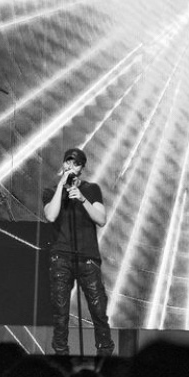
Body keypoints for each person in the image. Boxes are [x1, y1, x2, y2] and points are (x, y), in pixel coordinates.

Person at [42, 147, 114, 357]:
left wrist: (82, 199)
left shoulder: (91, 189)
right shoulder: (51, 191)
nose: (71, 166)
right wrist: (61, 187)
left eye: (76, 163)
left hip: (87, 257)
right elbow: (51, 216)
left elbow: (101, 219)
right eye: (68, 162)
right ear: (63, 164)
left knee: (98, 310)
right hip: (61, 257)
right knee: (60, 312)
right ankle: (61, 356)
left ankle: (105, 354)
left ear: (82, 168)